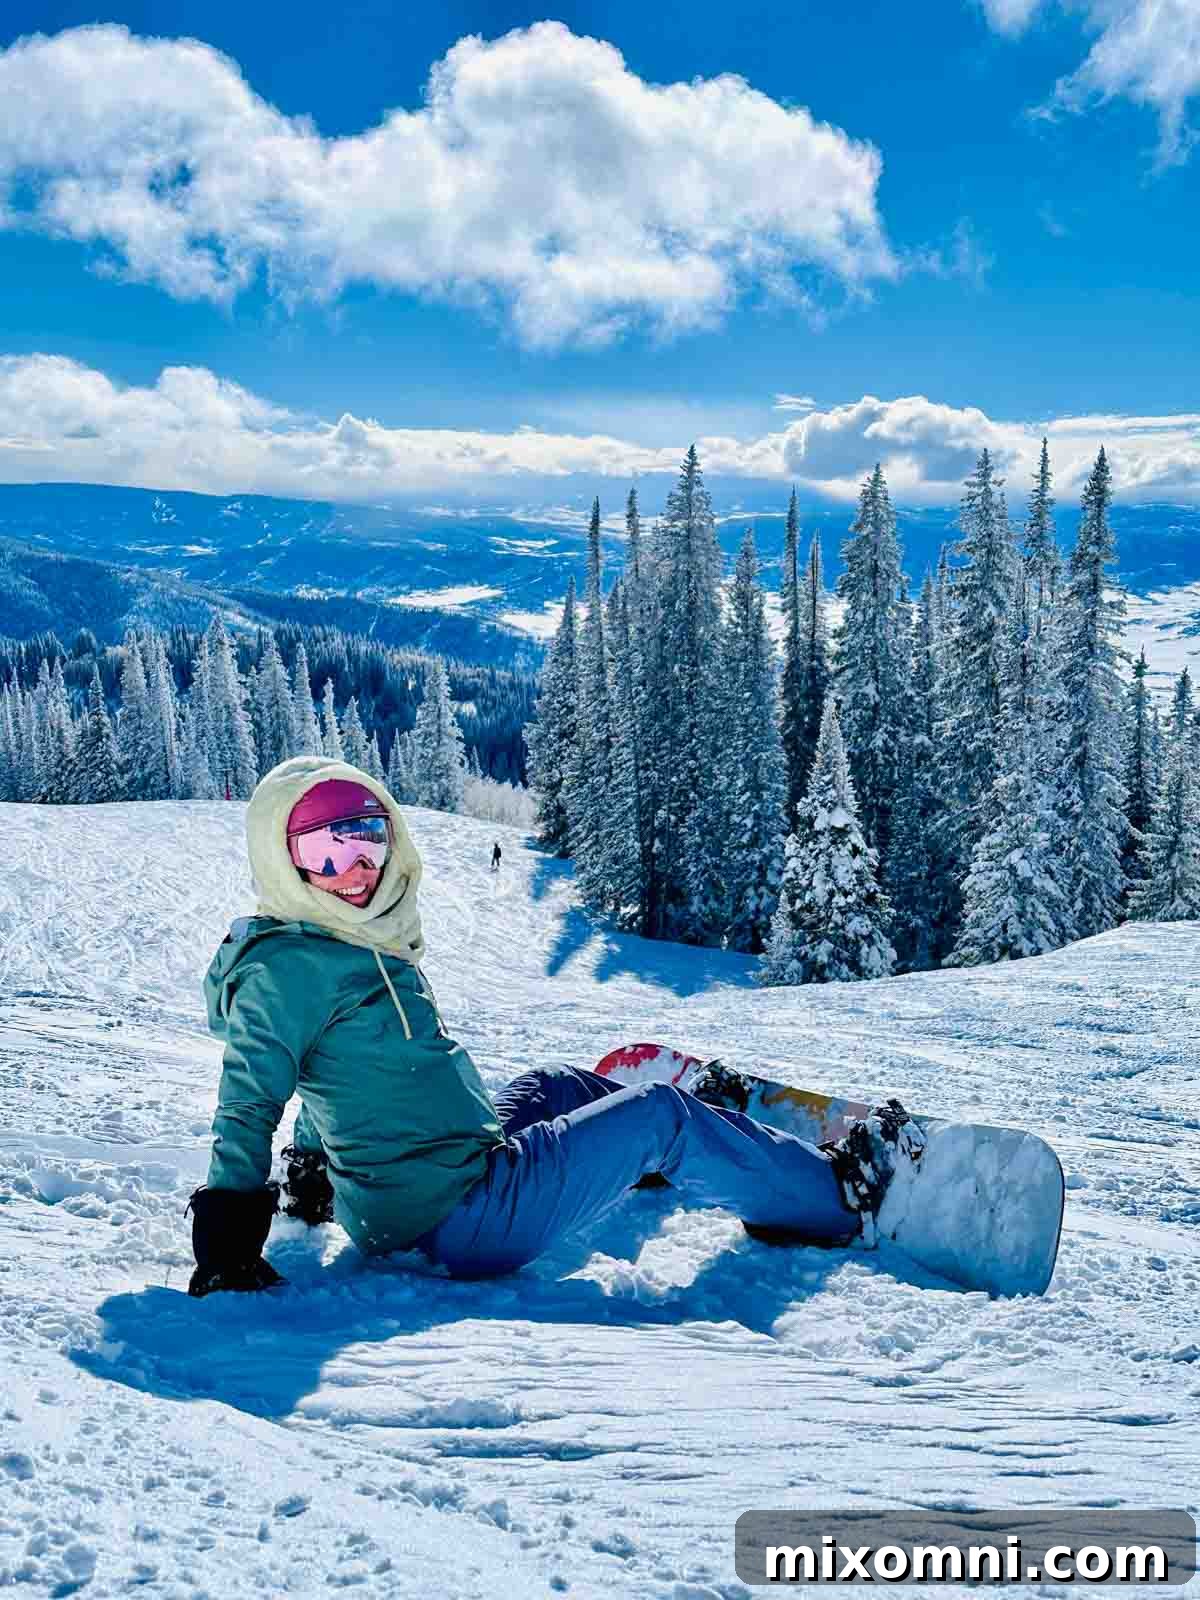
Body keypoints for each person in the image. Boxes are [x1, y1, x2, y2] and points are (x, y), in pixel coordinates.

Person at [187, 756, 923, 1296]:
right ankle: (830, 1198)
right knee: (658, 1113)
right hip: (456, 1219)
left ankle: (687, 1153)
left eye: (368, 840)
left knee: (555, 1084)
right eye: (324, 852)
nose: (355, 870)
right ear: (281, 862)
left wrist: (313, 1169)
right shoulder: (288, 970)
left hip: (444, 1172)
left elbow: (331, 1070)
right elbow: (249, 1100)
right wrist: (226, 1250)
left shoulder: (346, 939)